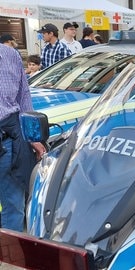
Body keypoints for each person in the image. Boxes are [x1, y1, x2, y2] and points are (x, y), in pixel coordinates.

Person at [0, 43, 45, 232]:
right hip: (9, 138)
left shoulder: (10, 55)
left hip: (9, 140)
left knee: (14, 205)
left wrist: (33, 136)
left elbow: (23, 96)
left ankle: (9, 255)